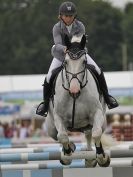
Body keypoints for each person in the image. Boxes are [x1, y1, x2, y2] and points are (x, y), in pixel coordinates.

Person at [36, 1, 118, 117]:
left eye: (71, 15)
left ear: (74, 16)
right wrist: (65, 48)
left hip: (79, 55)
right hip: (61, 56)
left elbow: (79, 42)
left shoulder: (80, 26)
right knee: (49, 77)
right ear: (61, 16)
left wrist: (73, 49)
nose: (69, 18)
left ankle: (107, 97)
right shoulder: (56, 28)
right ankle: (44, 105)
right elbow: (57, 44)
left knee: (98, 71)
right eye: (66, 15)